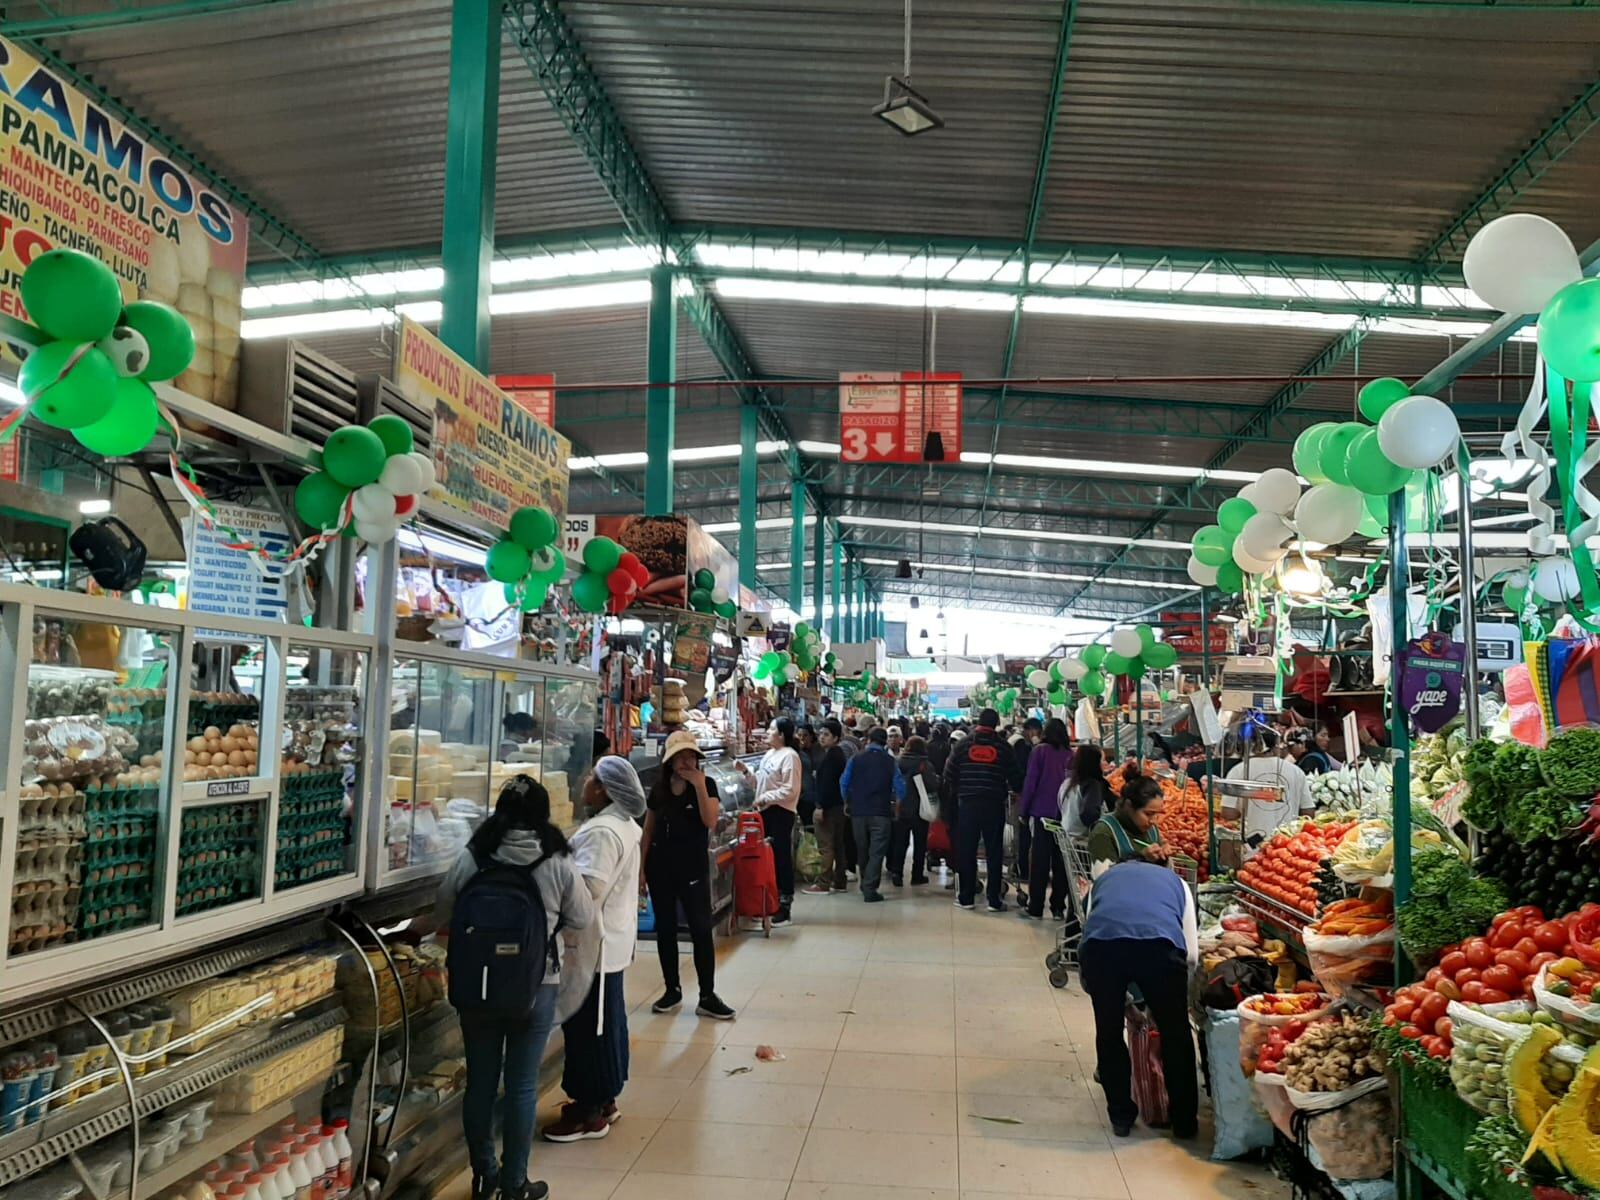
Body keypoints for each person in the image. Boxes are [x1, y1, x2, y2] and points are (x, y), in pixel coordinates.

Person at [435, 776, 594, 1200]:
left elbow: (443, 905)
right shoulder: (556, 859)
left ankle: (483, 1175)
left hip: (478, 985)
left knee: (480, 1083)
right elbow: (583, 917)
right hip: (536, 984)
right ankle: (515, 1183)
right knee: (522, 1085)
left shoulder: (475, 855)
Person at [544, 758, 645, 1143]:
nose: (584, 782)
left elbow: (588, 890)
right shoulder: (620, 824)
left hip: (594, 944)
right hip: (611, 940)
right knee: (607, 1022)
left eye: (591, 778)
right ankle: (605, 1100)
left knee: (590, 1028)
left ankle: (588, 1112)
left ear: (603, 789)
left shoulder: (603, 831)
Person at [1080, 858, 1200, 1139]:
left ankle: (1120, 1116)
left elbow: (1091, 932)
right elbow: (1192, 956)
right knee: (1176, 1035)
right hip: (1160, 948)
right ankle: (1184, 1122)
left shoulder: (1103, 881)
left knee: (1109, 1032)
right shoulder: (1178, 883)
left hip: (1102, 950)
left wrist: (1121, 1002)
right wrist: (1174, 1001)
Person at [642, 731, 737, 1019]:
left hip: (693, 867)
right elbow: (648, 830)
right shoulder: (659, 789)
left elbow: (710, 820)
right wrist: (641, 869)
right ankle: (672, 989)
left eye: (690, 756)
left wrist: (698, 785)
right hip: (660, 867)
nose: (686, 761)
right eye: (679, 756)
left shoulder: (707, 784)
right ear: (669, 761)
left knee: (700, 929)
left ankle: (707, 995)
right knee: (666, 930)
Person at [943, 707, 1024, 912]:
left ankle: (966, 897)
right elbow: (1015, 777)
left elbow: (948, 773)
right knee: (994, 851)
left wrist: (961, 788)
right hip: (993, 804)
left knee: (967, 850)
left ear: (978, 722)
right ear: (996, 724)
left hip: (968, 804)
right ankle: (994, 900)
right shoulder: (1003, 747)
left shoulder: (962, 745)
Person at [737, 718, 802, 925]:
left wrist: (767, 798)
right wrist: (745, 772)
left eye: (771, 729)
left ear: (781, 735)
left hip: (780, 812)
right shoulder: (769, 754)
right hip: (764, 812)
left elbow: (790, 789)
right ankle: (768, 901)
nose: (767, 732)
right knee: (768, 858)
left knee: (781, 857)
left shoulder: (790, 756)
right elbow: (760, 782)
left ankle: (784, 905)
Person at [840, 726, 903, 902]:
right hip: (881, 812)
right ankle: (870, 887)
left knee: (862, 849)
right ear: (885, 742)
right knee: (877, 851)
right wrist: (897, 807)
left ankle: (865, 883)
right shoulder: (890, 761)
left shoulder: (855, 758)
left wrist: (847, 801)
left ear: (868, 740)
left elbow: (844, 782)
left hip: (858, 811)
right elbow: (900, 787)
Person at [1018, 718, 1071, 920]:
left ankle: (1036, 906)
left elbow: (1031, 781)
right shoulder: (1071, 755)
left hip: (1042, 813)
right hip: (1064, 815)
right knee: (1061, 862)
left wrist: (1024, 810)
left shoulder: (1039, 752)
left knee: (1040, 861)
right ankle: (1058, 906)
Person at [1225, 728, 1314, 843]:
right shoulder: (1296, 771)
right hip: (1288, 844)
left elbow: (1228, 813)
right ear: (1276, 746)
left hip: (1252, 843)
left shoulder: (1238, 770)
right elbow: (1308, 813)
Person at [1087, 773, 1168, 877]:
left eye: (1157, 814)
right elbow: (1102, 878)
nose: (1153, 821)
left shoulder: (1152, 830)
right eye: (1148, 814)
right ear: (1129, 805)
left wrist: (1162, 858)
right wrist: (1141, 858)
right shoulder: (1104, 832)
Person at [803, 718, 850, 894]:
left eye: (827, 734)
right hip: (838, 806)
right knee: (838, 845)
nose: (822, 737)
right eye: (821, 734)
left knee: (826, 846)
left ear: (836, 738)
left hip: (829, 808)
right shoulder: (836, 755)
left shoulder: (831, 757)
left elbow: (828, 785)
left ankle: (823, 883)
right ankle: (839, 881)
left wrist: (820, 806)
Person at [890, 734, 937, 887]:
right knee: (920, 844)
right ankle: (917, 875)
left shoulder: (897, 762)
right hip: (920, 809)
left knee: (900, 843)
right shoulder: (924, 764)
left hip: (900, 807)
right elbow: (932, 785)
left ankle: (896, 873)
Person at [1011, 716, 1043, 900]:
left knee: (1024, 836)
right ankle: (1024, 869)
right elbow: (1026, 774)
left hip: (1027, 797)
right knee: (1024, 836)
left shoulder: (1024, 745)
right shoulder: (1022, 746)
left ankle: (1024, 868)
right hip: (1026, 797)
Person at [1060, 744, 1112, 837]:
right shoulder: (1093, 785)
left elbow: (1059, 810)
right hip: (1085, 838)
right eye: (1103, 760)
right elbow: (1089, 813)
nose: (1106, 763)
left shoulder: (1068, 783)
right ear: (1094, 763)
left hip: (1068, 835)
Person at [795, 724, 820, 829]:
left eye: (805, 735)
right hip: (802, 795)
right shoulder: (797, 752)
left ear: (811, 736)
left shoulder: (818, 750)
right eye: (799, 735)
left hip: (813, 794)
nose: (802, 738)